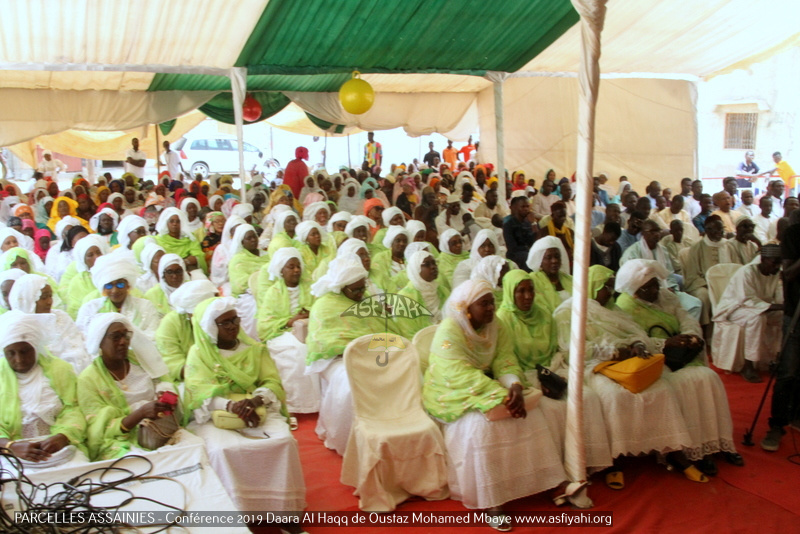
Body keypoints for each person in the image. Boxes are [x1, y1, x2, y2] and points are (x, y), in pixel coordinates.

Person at [422, 279, 576, 524]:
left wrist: (514, 385)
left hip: (487, 385)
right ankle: (492, 499)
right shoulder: (449, 330)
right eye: (484, 304)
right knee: (482, 427)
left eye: (493, 302)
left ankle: (551, 482)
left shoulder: (497, 326)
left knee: (532, 413)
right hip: (451, 391)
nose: (492, 308)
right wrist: (501, 394)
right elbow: (456, 371)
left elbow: (505, 360)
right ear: (466, 309)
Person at [555, 266, 703, 486]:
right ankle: (615, 459)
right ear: (593, 287)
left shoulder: (614, 309)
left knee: (660, 388)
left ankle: (671, 450)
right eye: (606, 286)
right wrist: (614, 352)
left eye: (611, 286)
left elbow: (636, 332)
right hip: (593, 365)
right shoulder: (569, 311)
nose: (611, 292)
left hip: (626, 362)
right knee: (614, 396)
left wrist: (637, 344)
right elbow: (571, 348)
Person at [184, 297, 307, 520]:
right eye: (225, 323)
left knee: (283, 442)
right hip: (217, 414)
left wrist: (255, 401)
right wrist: (232, 405)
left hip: (258, 407)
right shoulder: (199, 353)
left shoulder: (254, 349)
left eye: (235, 320)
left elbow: (272, 382)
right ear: (211, 327)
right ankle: (238, 511)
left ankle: (285, 513)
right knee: (222, 450)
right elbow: (198, 392)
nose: (232, 326)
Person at [615, 260, 742, 474]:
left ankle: (719, 442)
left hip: (683, 354)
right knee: (686, 385)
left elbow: (686, 318)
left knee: (709, 378)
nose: (655, 290)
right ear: (636, 290)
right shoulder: (626, 307)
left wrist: (689, 336)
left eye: (656, 283)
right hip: (656, 361)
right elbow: (635, 340)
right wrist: (665, 345)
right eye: (649, 287)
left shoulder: (666, 297)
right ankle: (694, 450)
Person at [498, 270, 613, 474]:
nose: (528, 296)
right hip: (523, 376)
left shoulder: (543, 315)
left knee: (588, 398)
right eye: (520, 291)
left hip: (552, 368)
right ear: (509, 293)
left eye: (531, 290)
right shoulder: (503, 321)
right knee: (552, 410)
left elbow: (555, 350)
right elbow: (506, 360)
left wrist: (551, 373)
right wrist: (535, 381)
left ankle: (588, 461)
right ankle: (557, 468)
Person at [306, 257, 391, 454]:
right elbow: (325, 341)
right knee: (351, 384)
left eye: (363, 287)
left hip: (369, 353)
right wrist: (357, 350)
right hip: (336, 359)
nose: (361, 293)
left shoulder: (364, 299)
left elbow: (379, 328)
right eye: (356, 290)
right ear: (341, 287)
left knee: (401, 371)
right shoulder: (325, 306)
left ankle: (390, 432)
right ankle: (348, 442)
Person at [77, 313, 184, 461]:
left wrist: (164, 395)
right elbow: (98, 429)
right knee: (139, 463)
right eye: (115, 337)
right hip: (120, 440)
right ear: (99, 342)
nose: (123, 342)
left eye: (126, 336)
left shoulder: (140, 359)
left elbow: (165, 381)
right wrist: (140, 414)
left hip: (160, 428)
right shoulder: (88, 379)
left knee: (193, 449)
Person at [0, 312, 88, 467]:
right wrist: (11, 446)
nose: (19, 359)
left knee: (77, 472)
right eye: (11, 353)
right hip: (11, 452)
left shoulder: (60, 370)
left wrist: (63, 435)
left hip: (59, 446)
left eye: (24, 351)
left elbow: (73, 408)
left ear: (35, 347)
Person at [256, 248, 320, 414]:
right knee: (299, 350)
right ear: (281, 271)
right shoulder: (273, 293)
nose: (296, 270)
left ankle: (317, 404)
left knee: (315, 347)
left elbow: (321, 309)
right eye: (291, 267)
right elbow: (263, 325)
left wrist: (308, 314)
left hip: (309, 329)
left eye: (298, 266)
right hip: (281, 333)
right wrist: (290, 321)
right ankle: (295, 405)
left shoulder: (311, 288)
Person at [713, 245, 783, 382]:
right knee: (757, 318)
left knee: (784, 318)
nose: (777, 267)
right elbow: (747, 300)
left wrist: (783, 306)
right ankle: (748, 365)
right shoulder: (747, 272)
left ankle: (776, 360)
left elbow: (780, 296)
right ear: (763, 259)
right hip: (734, 309)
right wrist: (778, 306)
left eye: (779, 263)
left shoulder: (775, 273)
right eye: (774, 262)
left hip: (763, 307)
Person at [761, 210, 800, 451]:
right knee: (788, 371)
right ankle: (776, 425)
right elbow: (788, 273)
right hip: (796, 314)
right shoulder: (794, 234)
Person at [76, 254, 162, 340]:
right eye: (109, 285)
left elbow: (153, 336)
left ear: (128, 285)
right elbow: (84, 338)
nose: (115, 290)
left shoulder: (145, 307)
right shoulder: (90, 309)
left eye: (120, 284)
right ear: (103, 288)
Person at [155, 279, 218, 383]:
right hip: (188, 380)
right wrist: (209, 376)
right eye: (198, 313)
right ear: (188, 313)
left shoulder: (222, 319)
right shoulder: (170, 323)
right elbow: (172, 363)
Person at [684, 217, 728, 329]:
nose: (720, 232)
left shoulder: (730, 246)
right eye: (716, 230)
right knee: (703, 296)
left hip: (728, 284)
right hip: (705, 285)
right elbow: (692, 275)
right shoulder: (697, 248)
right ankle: (705, 331)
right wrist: (711, 285)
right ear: (707, 230)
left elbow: (737, 269)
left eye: (721, 229)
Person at [155, 207, 207, 275]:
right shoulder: (159, 240)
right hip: (167, 272)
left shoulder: (189, 237)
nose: (175, 224)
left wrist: (183, 262)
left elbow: (197, 255)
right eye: (172, 221)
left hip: (189, 269)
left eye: (178, 221)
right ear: (166, 223)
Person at [526, 236, 572, 314]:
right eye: (548, 257)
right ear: (540, 261)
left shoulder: (570, 279)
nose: (554, 261)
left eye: (557, 256)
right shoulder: (533, 281)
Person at [502, 196, 536, 271]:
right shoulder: (509, 225)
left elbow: (535, 241)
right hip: (515, 255)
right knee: (527, 257)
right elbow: (512, 247)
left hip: (528, 252)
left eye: (527, 206)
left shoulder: (528, 223)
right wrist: (528, 249)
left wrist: (533, 223)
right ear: (516, 208)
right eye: (523, 207)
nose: (526, 209)